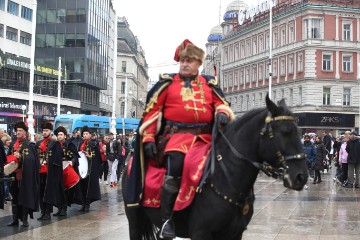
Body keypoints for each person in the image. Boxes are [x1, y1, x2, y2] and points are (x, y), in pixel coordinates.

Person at [137, 39, 234, 239]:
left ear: (198, 63)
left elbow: (222, 103)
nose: (184, 64)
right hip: (176, 138)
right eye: (182, 60)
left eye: (189, 60)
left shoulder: (209, 84)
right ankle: (167, 220)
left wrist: (222, 113)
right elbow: (152, 112)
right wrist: (147, 139)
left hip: (206, 138)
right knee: (177, 164)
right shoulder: (167, 84)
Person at [7, 121, 40, 227]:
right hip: (14, 176)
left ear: (25, 133)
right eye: (17, 131)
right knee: (14, 197)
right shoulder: (12, 144)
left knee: (25, 197)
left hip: (25, 176)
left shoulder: (29, 145)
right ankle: (15, 219)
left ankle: (24, 219)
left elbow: (31, 160)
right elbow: (7, 158)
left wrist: (20, 157)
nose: (18, 132)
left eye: (20, 131)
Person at [36, 122, 65, 221]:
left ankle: (48, 212)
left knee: (48, 193)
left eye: (46, 131)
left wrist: (48, 161)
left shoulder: (55, 144)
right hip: (40, 172)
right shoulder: (39, 143)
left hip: (50, 172)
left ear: (50, 131)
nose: (44, 133)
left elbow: (58, 158)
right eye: (43, 131)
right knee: (41, 193)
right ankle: (43, 211)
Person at [53, 126, 81, 216]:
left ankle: (64, 208)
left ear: (65, 136)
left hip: (67, 170)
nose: (59, 136)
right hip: (57, 170)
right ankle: (59, 208)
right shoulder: (54, 146)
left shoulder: (69, 145)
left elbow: (75, 157)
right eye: (58, 135)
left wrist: (71, 161)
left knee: (65, 190)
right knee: (58, 190)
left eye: (61, 135)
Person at [78, 126, 101, 212]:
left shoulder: (94, 144)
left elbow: (97, 156)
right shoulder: (80, 144)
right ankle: (83, 203)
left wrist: (90, 155)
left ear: (90, 135)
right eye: (84, 134)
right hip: (82, 168)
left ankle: (87, 204)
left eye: (86, 133)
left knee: (88, 187)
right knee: (82, 186)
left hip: (90, 169)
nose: (85, 135)